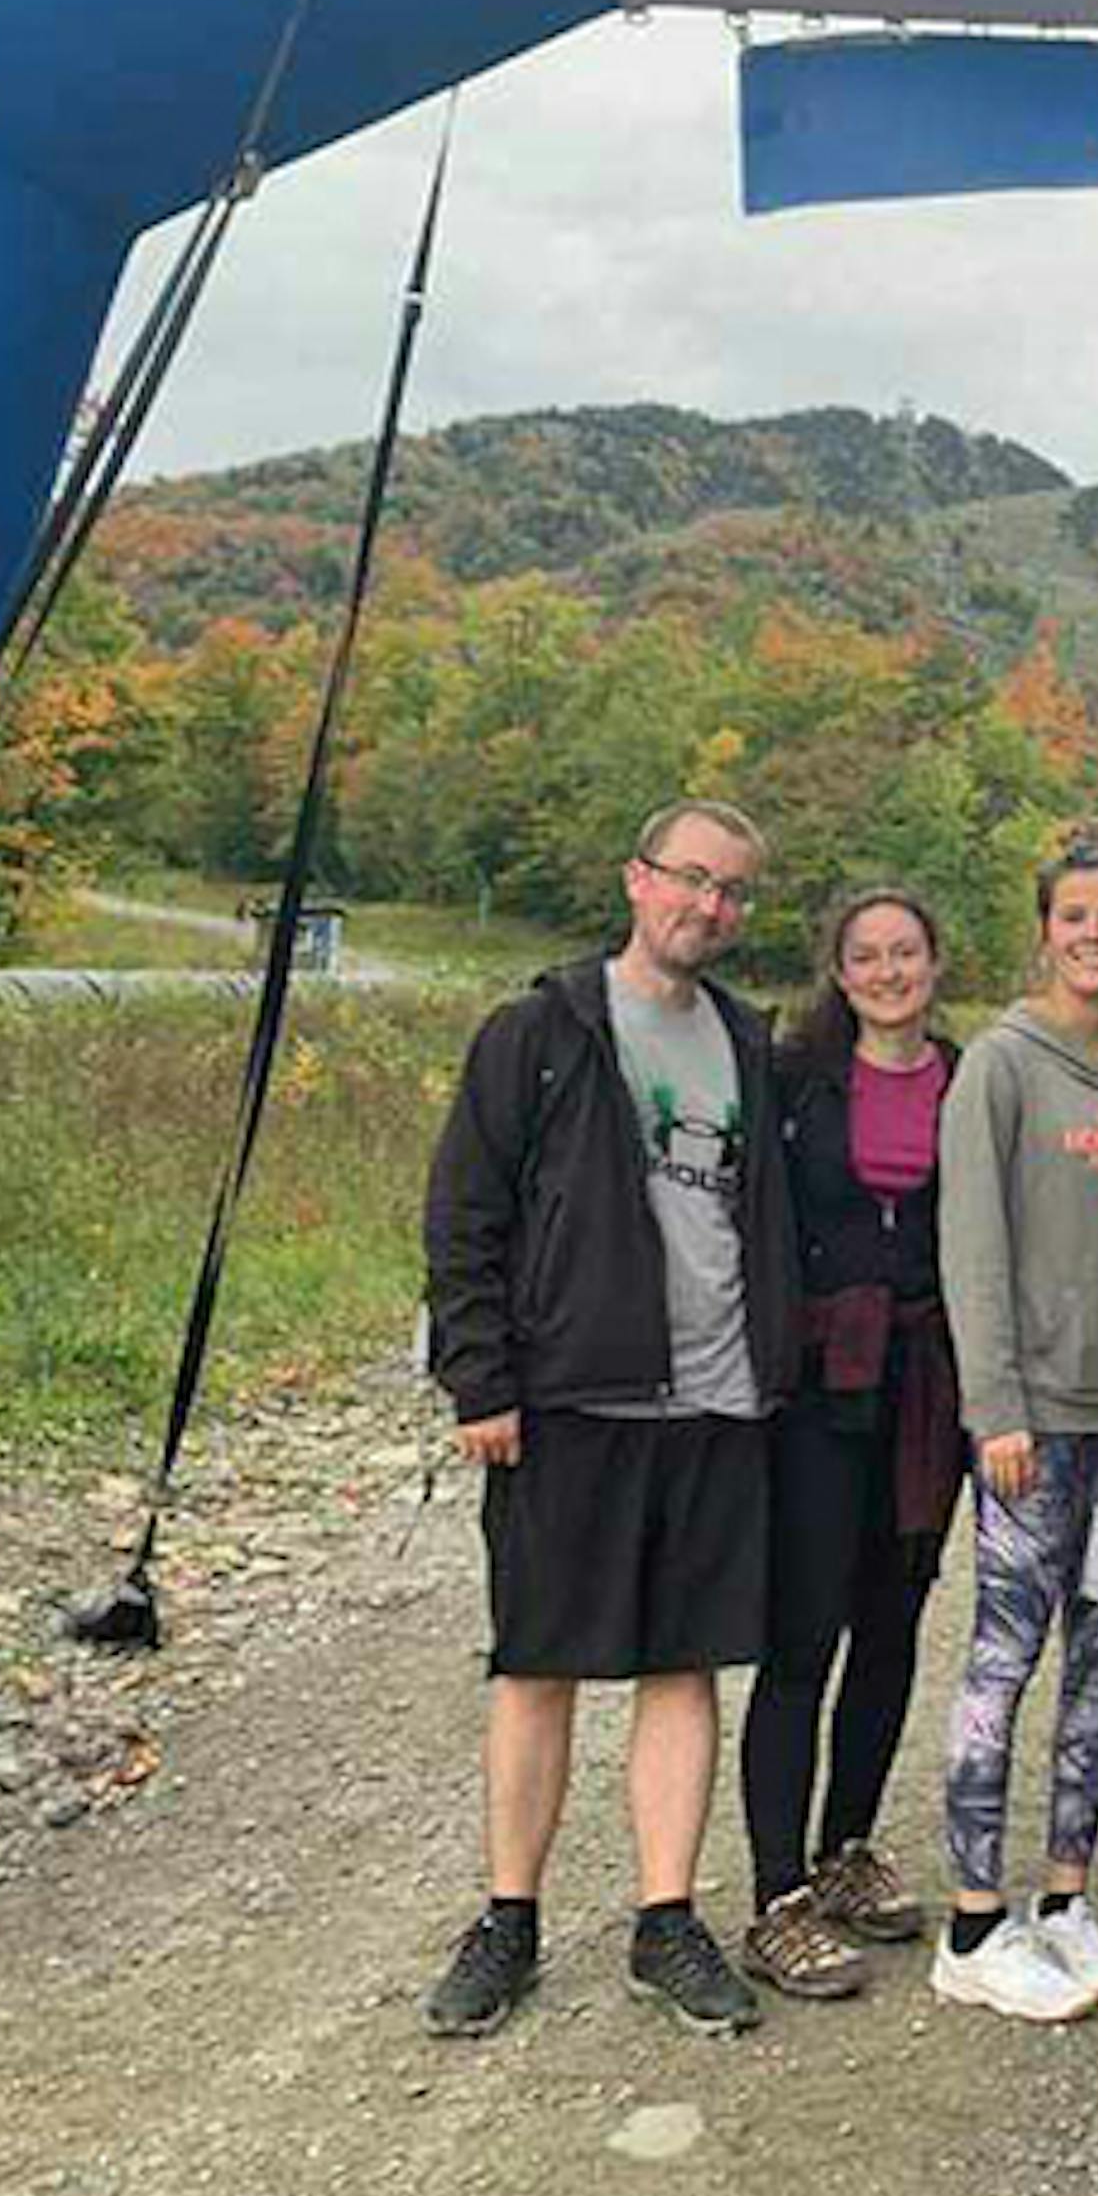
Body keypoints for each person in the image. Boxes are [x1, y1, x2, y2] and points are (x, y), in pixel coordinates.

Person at [417, 798, 801, 2039]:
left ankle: (666, 1918)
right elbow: (465, 1216)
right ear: (637, 880)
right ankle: (507, 1919)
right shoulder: (539, 1032)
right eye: (691, 879)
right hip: (574, 1397)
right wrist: (482, 1380)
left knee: (682, 1661)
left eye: (733, 890)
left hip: (716, 1398)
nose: (710, 906)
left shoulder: (746, 1042)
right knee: (538, 1663)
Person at [926, 832, 1098, 2024]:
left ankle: (1064, 1897)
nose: (1095, 935)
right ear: (1045, 929)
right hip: (1030, 1429)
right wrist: (994, 1407)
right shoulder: (1000, 1065)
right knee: (1004, 1656)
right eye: (1075, 916)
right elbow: (970, 1249)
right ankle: (974, 1920)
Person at [737, 887, 964, 2002]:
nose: (887, 972)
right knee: (802, 1633)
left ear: (934, 961)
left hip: (927, 1386)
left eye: (905, 952)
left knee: (891, 1623)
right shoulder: (791, 1078)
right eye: (866, 955)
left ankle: (847, 1847)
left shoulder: (971, 1079)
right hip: (819, 1381)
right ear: (838, 968)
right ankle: (775, 1895)